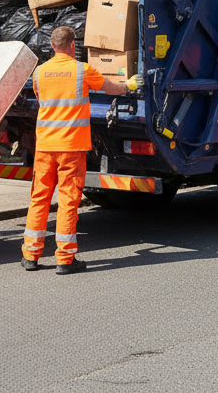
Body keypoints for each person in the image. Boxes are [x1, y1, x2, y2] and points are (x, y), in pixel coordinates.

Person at [22, 26, 138, 274]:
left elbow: (43, 100)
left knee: (39, 198)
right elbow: (109, 88)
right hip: (71, 148)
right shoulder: (81, 70)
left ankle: (31, 256)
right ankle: (64, 259)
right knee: (67, 200)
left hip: (44, 147)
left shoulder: (39, 73)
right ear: (73, 45)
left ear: (52, 46)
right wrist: (128, 86)